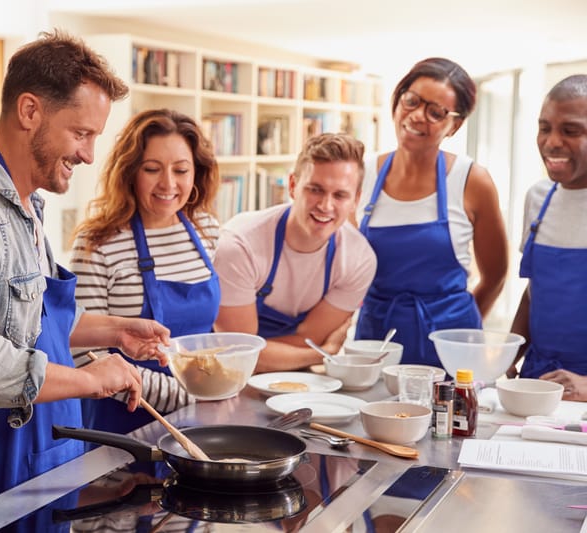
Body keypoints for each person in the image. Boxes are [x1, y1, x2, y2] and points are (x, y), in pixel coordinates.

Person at [0, 30, 171, 518]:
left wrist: (114, 330)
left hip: (33, 460)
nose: (89, 155)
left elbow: (27, 317)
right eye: (81, 133)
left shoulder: (25, 204)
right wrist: (92, 381)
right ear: (29, 111)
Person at [70, 108, 220, 435]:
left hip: (200, 419)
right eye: (152, 169)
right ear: (130, 172)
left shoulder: (206, 230)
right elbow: (83, 352)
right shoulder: (97, 242)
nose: (168, 184)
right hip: (123, 425)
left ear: (197, 172)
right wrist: (187, 396)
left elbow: (209, 332)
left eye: (181, 170)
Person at [354, 57, 508, 368]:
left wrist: (460, 330)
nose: (417, 116)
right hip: (376, 339)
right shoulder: (363, 173)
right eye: (411, 101)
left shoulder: (471, 180)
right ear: (398, 101)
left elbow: (495, 275)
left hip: (451, 344)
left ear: (456, 124)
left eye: (436, 112)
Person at [213, 133, 377, 372]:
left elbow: (309, 339)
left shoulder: (358, 260)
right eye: (315, 190)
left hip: (299, 381)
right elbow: (237, 356)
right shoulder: (239, 246)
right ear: (292, 186)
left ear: (356, 200)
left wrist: (301, 352)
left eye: (340, 195)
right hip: (220, 377)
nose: (325, 206)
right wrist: (324, 354)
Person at [509, 74, 587, 380]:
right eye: (544, 128)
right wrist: (507, 355)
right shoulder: (538, 198)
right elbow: (534, 292)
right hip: (539, 379)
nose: (552, 142)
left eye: (571, 131)